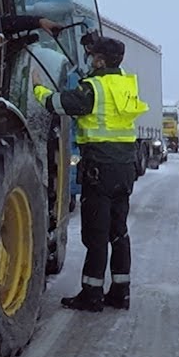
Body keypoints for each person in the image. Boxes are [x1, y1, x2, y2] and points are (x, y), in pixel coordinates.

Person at [32, 34, 149, 312]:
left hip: (100, 169)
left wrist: (38, 88)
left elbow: (58, 104)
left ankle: (92, 294)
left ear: (99, 60)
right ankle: (121, 292)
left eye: (92, 55)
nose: (89, 59)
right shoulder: (125, 84)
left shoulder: (93, 87)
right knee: (118, 231)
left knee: (96, 234)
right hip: (125, 169)